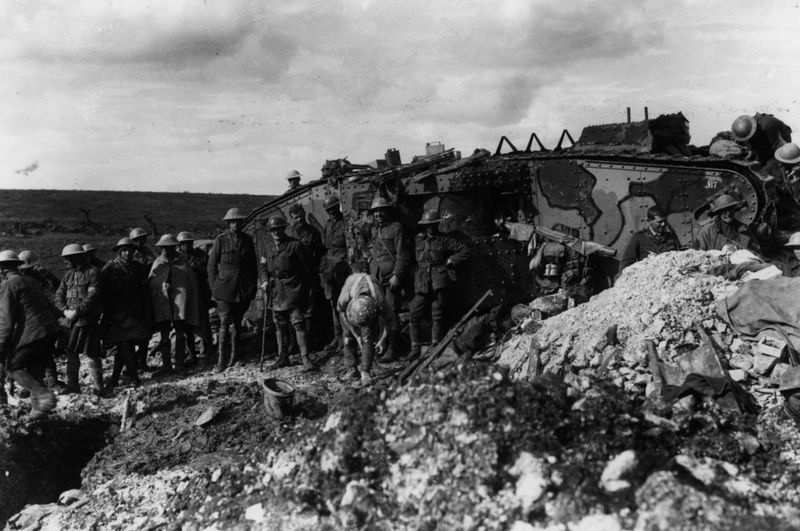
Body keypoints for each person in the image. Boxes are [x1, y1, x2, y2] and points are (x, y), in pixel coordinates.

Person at [0, 250, 62, 419]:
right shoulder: (30, 281)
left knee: (13, 366)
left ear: (2, 270)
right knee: (36, 371)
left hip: (35, 332)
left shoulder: (9, 285)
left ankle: (43, 396)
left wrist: (2, 347)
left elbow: (6, 321)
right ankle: (38, 413)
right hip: (50, 331)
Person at [408, 210, 470, 360]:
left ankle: (435, 347)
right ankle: (415, 348)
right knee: (414, 314)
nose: (430, 228)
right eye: (428, 225)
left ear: (437, 224)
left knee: (437, 314)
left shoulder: (444, 240)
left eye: (433, 224)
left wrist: (452, 260)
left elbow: (465, 251)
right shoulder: (417, 240)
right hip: (422, 281)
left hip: (439, 280)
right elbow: (409, 259)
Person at [259, 216, 316, 371]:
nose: (276, 232)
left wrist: (305, 289)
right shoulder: (267, 247)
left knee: (298, 323)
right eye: (273, 230)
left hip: (294, 290)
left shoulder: (295, 245)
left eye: (278, 229)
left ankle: (305, 358)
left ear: (283, 229)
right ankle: (283, 357)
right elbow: (263, 267)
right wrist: (264, 280)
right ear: (270, 232)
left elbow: (306, 269)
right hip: (276, 292)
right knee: (280, 326)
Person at [207, 208, 258, 371]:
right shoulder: (220, 240)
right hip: (224, 289)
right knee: (224, 323)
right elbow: (211, 266)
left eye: (238, 221)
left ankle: (235, 357)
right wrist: (214, 288)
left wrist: (252, 287)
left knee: (237, 323)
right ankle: (221, 360)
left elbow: (253, 266)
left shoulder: (248, 240)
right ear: (228, 223)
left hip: (242, 290)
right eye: (232, 222)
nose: (236, 224)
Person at [99, 237, 151, 390]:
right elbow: (102, 293)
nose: (128, 253)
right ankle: (134, 378)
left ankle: (115, 379)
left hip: (134, 314)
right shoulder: (109, 269)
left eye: (131, 250)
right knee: (124, 347)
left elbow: (144, 291)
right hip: (116, 316)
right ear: (119, 252)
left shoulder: (138, 268)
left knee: (125, 347)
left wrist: (147, 311)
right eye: (125, 250)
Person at [149, 234, 205, 374]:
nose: (168, 250)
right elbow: (153, 283)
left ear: (175, 247)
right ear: (161, 248)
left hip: (180, 304)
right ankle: (166, 365)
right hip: (163, 305)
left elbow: (190, 282)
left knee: (180, 334)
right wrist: (161, 286)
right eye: (165, 248)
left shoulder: (183, 261)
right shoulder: (158, 263)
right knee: (164, 336)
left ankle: (179, 363)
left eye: (170, 247)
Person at [54, 243, 103, 395]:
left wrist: (77, 312)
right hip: (70, 321)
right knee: (71, 353)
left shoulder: (93, 273)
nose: (65, 261)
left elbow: (92, 297)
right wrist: (65, 310)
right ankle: (73, 386)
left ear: (77, 258)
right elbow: (58, 296)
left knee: (92, 353)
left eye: (68, 258)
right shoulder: (68, 275)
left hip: (86, 321)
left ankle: (98, 386)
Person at [367, 197, 411, 361]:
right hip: (377, 278)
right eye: (375, 211)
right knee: (379, 314)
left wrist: (397, 275)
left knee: (391, 313)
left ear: (387, 211)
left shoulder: (396, 228)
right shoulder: (373, 230)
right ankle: (382, 345)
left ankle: (393, 348)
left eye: (381, 210)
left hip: (391, 278)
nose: (378, 213)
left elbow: (402, 255)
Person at [18, 249, 66, 392]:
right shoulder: (29, 281)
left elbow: (57, 289)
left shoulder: (37, 279)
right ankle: (46, 383)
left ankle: (40, 384)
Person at [337, 272, 396, 385]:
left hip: (368, 306)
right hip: (350, 306)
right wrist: (356, 335)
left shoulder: (378, 299)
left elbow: (391, 320)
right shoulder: (344, 298)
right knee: (348, 339)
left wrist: (383, 340)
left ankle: (365, 372)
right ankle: (352, 369)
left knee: (367, 338)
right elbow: (341, 313)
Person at [319, 195, 351, 353]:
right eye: (328, 210)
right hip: (330, 269)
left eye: (333, 208)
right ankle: (337, 336)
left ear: (338, 206)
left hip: (343, 268)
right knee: (333, 304)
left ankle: (346, 337)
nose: (331, 212)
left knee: (344, 304)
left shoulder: (346, 223)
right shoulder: (327, 225)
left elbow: (350, 246)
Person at [178, 231, 214, 365]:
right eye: (183, 244)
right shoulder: (177, 258)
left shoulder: (200, 255)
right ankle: (192, 354)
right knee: (187, 327)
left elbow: (209, 270)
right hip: (185, 296)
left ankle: (208, 352)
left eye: (188, 243)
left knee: (204, 323)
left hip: (201, 294)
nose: (186, 246)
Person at [619, 206, 681, 271]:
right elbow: (625, 265)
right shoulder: (639, 238)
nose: (663, 224)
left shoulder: (671, 237)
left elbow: (680, 258)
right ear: (649, 221)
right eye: (659, 222)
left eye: (665, 221)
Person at [694, 194, 760, 253]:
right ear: (719, 213)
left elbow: (757, 253)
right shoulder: (707, 232)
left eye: (730, 209)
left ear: (734, 209)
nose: (728, 213)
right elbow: (698, 255)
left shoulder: (744, 230)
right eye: (724, 210)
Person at [130, 226, 156, 371]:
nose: (141, 242)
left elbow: (156, 263)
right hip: (134, 296)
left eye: (142, 239)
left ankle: (142, 362)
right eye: (137, 240)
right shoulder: (129, 255)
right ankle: (132, 363)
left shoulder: (147, 251)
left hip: (147, 293)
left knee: (146, 332)